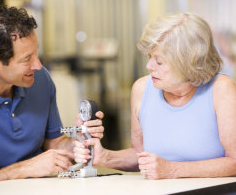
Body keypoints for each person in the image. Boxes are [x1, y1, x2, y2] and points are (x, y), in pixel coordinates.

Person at [74, 12, 236, 179]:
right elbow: (140, 155)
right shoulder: (142, 89)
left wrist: (172, 170)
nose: (149, 65)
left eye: (159, 61)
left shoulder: (221, 89)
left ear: (188, 63)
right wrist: (105, 157)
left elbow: (234, 161)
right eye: (150, 57)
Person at [0, 5, 104, 187]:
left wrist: (78, 142)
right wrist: (22, 170)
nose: (37, 65)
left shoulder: (40, 79)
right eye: (27, 59)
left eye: (36, 53)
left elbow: (54, 144)